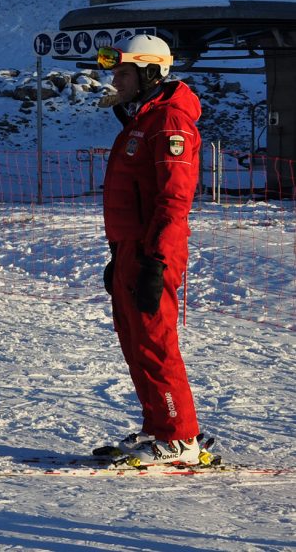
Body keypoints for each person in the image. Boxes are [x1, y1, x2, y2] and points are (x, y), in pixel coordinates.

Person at [96, 34, 203, 466]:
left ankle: (180, 438)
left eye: (123, 73)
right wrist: (117, 253)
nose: (115, 81)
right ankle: (158, 426)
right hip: (130, 250)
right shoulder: (141, 120)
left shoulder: (170, 123)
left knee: (156, 343)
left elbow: (173, 201)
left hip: (153, 252)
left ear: (150, 74)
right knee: (135, 341)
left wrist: (156, 260)